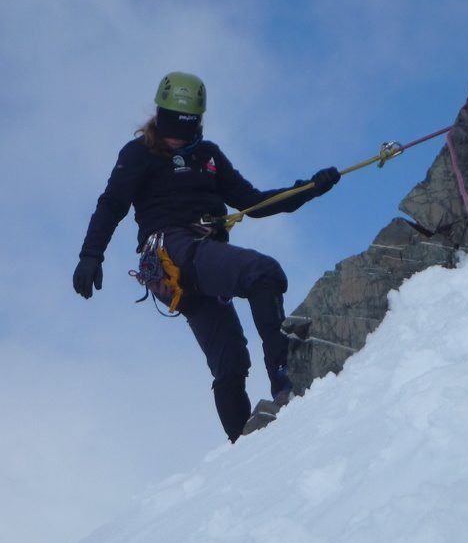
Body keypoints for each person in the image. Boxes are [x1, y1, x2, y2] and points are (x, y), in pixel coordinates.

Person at [72, 72, 340, 442]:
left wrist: (308, 190)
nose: (177, 134)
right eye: (171, 124)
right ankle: (285, 374)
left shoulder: (207, 156)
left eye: (186, 126)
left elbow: (253, 202)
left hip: (197, 262)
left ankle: (245, 446)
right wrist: (91, 254)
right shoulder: (139, 154)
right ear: (159, 115)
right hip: (170, 251)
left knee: (230, 362)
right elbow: (112, 204)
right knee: (261, 272)